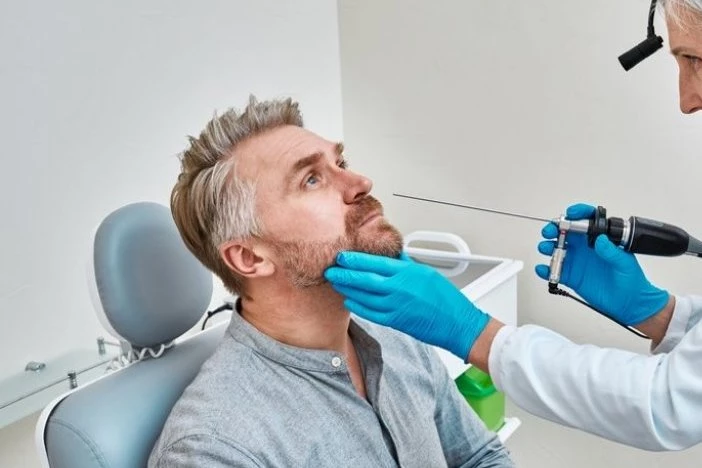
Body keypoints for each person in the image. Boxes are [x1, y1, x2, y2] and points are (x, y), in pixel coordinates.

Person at [324, 0, 702, 453]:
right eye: (310, 179)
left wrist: (474, 332)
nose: (687, 101)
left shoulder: (404, 354)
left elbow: (669, 404)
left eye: (696, 60)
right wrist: (663, 317)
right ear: (252, 255)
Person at [147, 96, 514, 467]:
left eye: (341, 163)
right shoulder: (216, 447)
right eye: (311, 179)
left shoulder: (397, 333)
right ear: (250, 257)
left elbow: (479, 457)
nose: (361, 183)